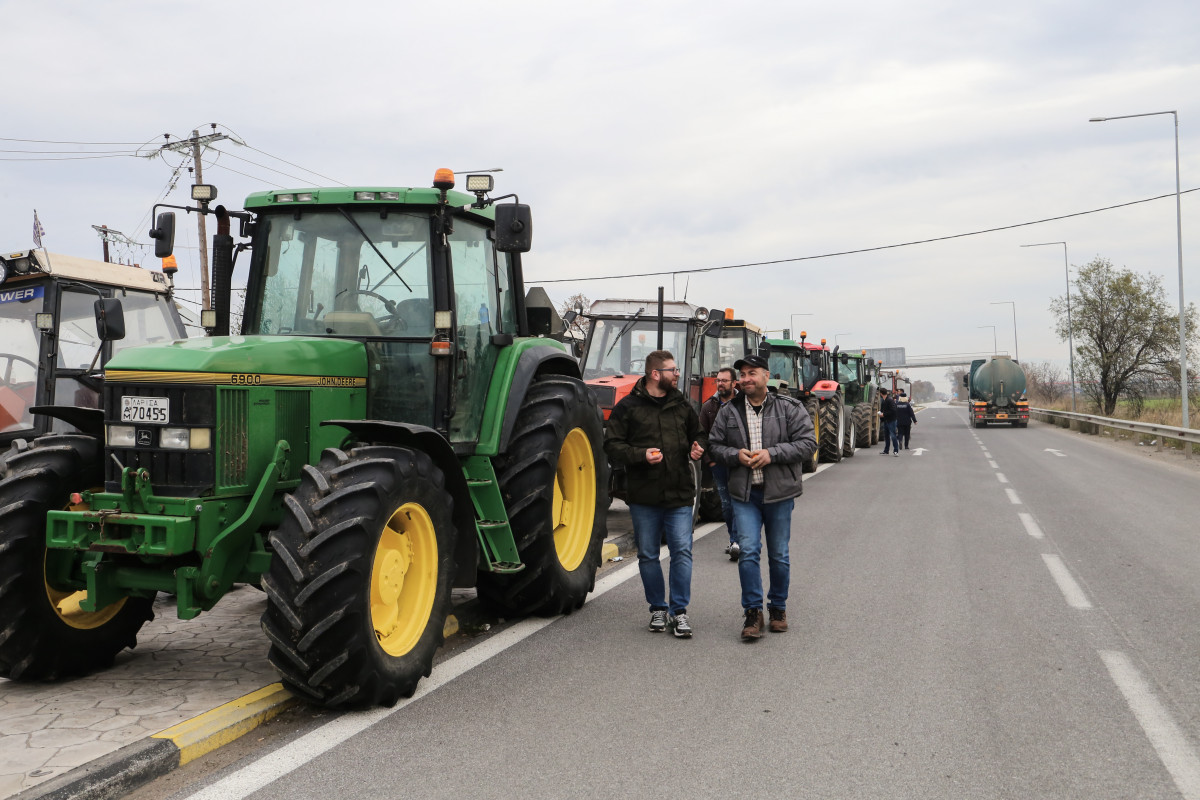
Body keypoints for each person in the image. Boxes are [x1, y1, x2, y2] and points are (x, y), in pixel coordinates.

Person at [709, 354, 818, 641]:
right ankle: (753, 612)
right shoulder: (728, 411)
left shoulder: (789, 408)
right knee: (748, 552)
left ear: (765, 376)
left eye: (751, 373)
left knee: (779, 555)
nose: (745, 378)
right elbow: (715, 446)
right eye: (742, 374)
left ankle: (778, 608)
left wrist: (772, 454)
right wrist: (735, 455)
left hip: (780, 494)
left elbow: (808, 444)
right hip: (745, 495)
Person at [604, 349, 706, 638]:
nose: (677, 374)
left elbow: (698, 433)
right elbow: (612, 445)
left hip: (679, 493)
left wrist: (698, 446)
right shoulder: (628, 407)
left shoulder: (681, 404)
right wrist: (640, 455)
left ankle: (680, 611)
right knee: (648, 554)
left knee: (682, 552)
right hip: (644, 495)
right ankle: (658, 609)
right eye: (672, 370)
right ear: (655, 374)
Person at [699, 367, 739, 560]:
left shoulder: (744, 403)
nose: (720, 384)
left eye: (724, 380)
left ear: (734, 383)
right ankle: (734, 540)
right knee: (727, 503)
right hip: (719, 464)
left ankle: (741, 540)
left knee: (742, 501)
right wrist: (710, 462)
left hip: (741, 462)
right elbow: (702, 436)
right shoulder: (709, 407)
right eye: (718, 380)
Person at [878, 387, 899, 457]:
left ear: (881, 393)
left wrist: (883, 414)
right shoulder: (884, 401)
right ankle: (886, 451)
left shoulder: (890, 400)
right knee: (886, 436)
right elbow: (883, 410)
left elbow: (893, 410)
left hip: (891, 421)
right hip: (886, 420)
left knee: (893, 436)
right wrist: (880, 413)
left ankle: (896, 451)